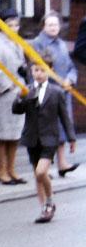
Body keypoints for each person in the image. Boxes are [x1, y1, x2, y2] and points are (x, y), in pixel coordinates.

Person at [11, 55, 77, 223]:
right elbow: (17, 110)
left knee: (41, 172)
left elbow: (64, 117)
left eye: (42, 70)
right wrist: (19, 97)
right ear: (31, 71)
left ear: (50, 71)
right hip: (32, 138)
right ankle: (44, 208)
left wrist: (71, 138)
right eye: (35, 70)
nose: (38, 74)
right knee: (37, 175)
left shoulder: (56, 92)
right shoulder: (28, 90)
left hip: (50, 138)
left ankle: (49, 202)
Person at [31, 12, 79, 177]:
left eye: (56, 25)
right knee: (46, 131)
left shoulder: (63, 45)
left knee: (62, 128)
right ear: (43, 26)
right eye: (50, 25)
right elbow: (35, 68)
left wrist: (70, 80)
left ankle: (62, 162)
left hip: (63, 93)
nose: (53, 28)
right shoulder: (38, 44)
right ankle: (42, 166)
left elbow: (71, 66)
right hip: (47, 93)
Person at [0, 9, 27, 185]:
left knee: (15, 133)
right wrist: (8, 85)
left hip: (18, 92)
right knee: (2, 134)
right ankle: (1, 170)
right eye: (10, 24)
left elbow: (21, 63)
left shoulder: (17, 42)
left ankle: (11, 169)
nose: (14, 28)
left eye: (16, 24)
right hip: (3, 93)